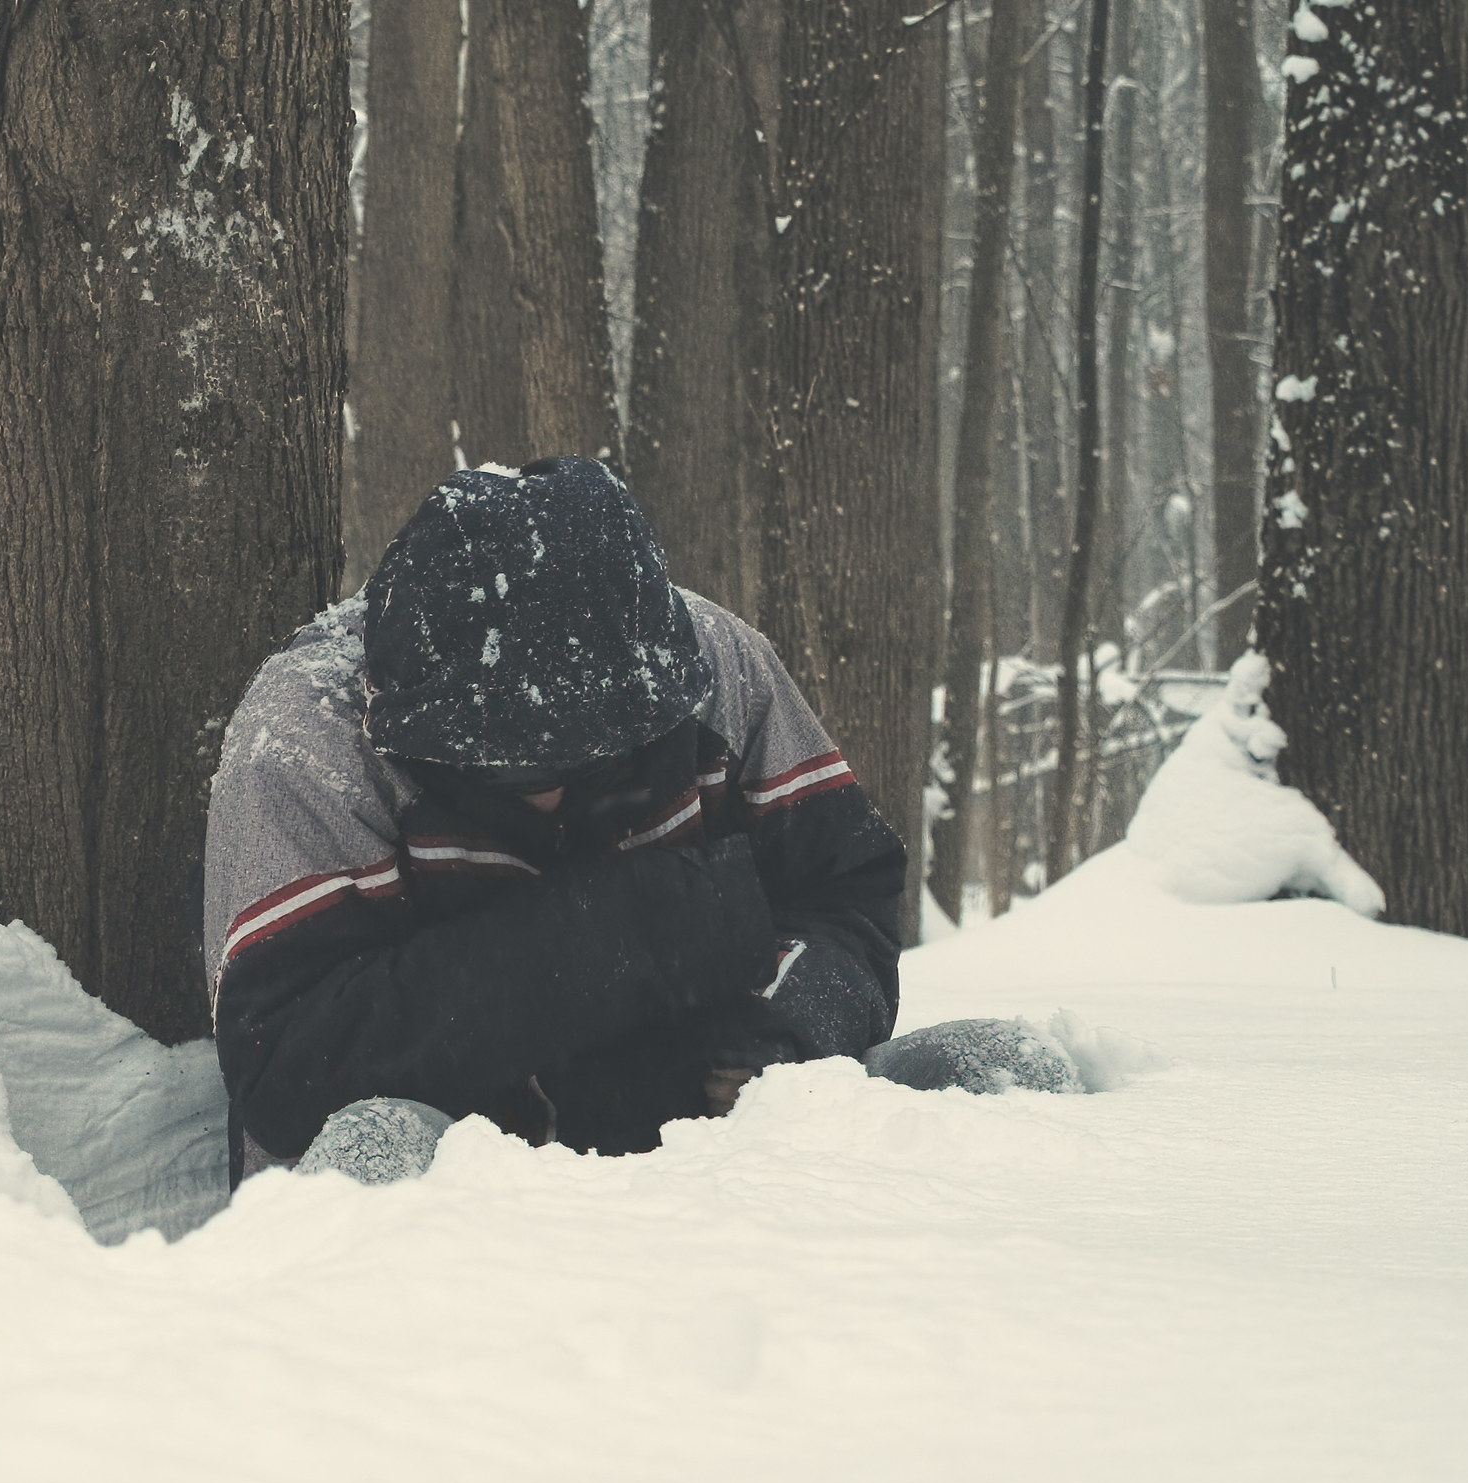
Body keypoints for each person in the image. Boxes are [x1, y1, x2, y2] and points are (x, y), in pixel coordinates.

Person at [200, 457, 1073, 1189]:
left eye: (597, 761)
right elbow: (289, 1073)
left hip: (708, 1168)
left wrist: (785, 1027)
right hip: (457, 1201)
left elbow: (848, 901)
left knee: (1006, 1067)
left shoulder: (721, 668)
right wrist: (641, 935)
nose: (550, 798)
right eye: (514, 769)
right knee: (368, 1150)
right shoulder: (305, 741)